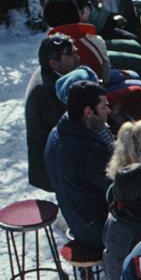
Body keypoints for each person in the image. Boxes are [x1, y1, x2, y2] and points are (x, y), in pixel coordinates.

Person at [44, 80, 115, 258]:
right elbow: (119, 188)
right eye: (104, 106)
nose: (109, 111)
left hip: (77, 221)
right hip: (95, 231)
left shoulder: (58, 131)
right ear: (88, 112)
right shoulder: (88, 148)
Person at [25, 33, 79, 193]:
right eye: (70, 55)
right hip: (51, 169)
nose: (77, 58)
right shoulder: (49, 92)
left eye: (75, 51)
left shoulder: (50, 75)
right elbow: (71, 128)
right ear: (54, 63)